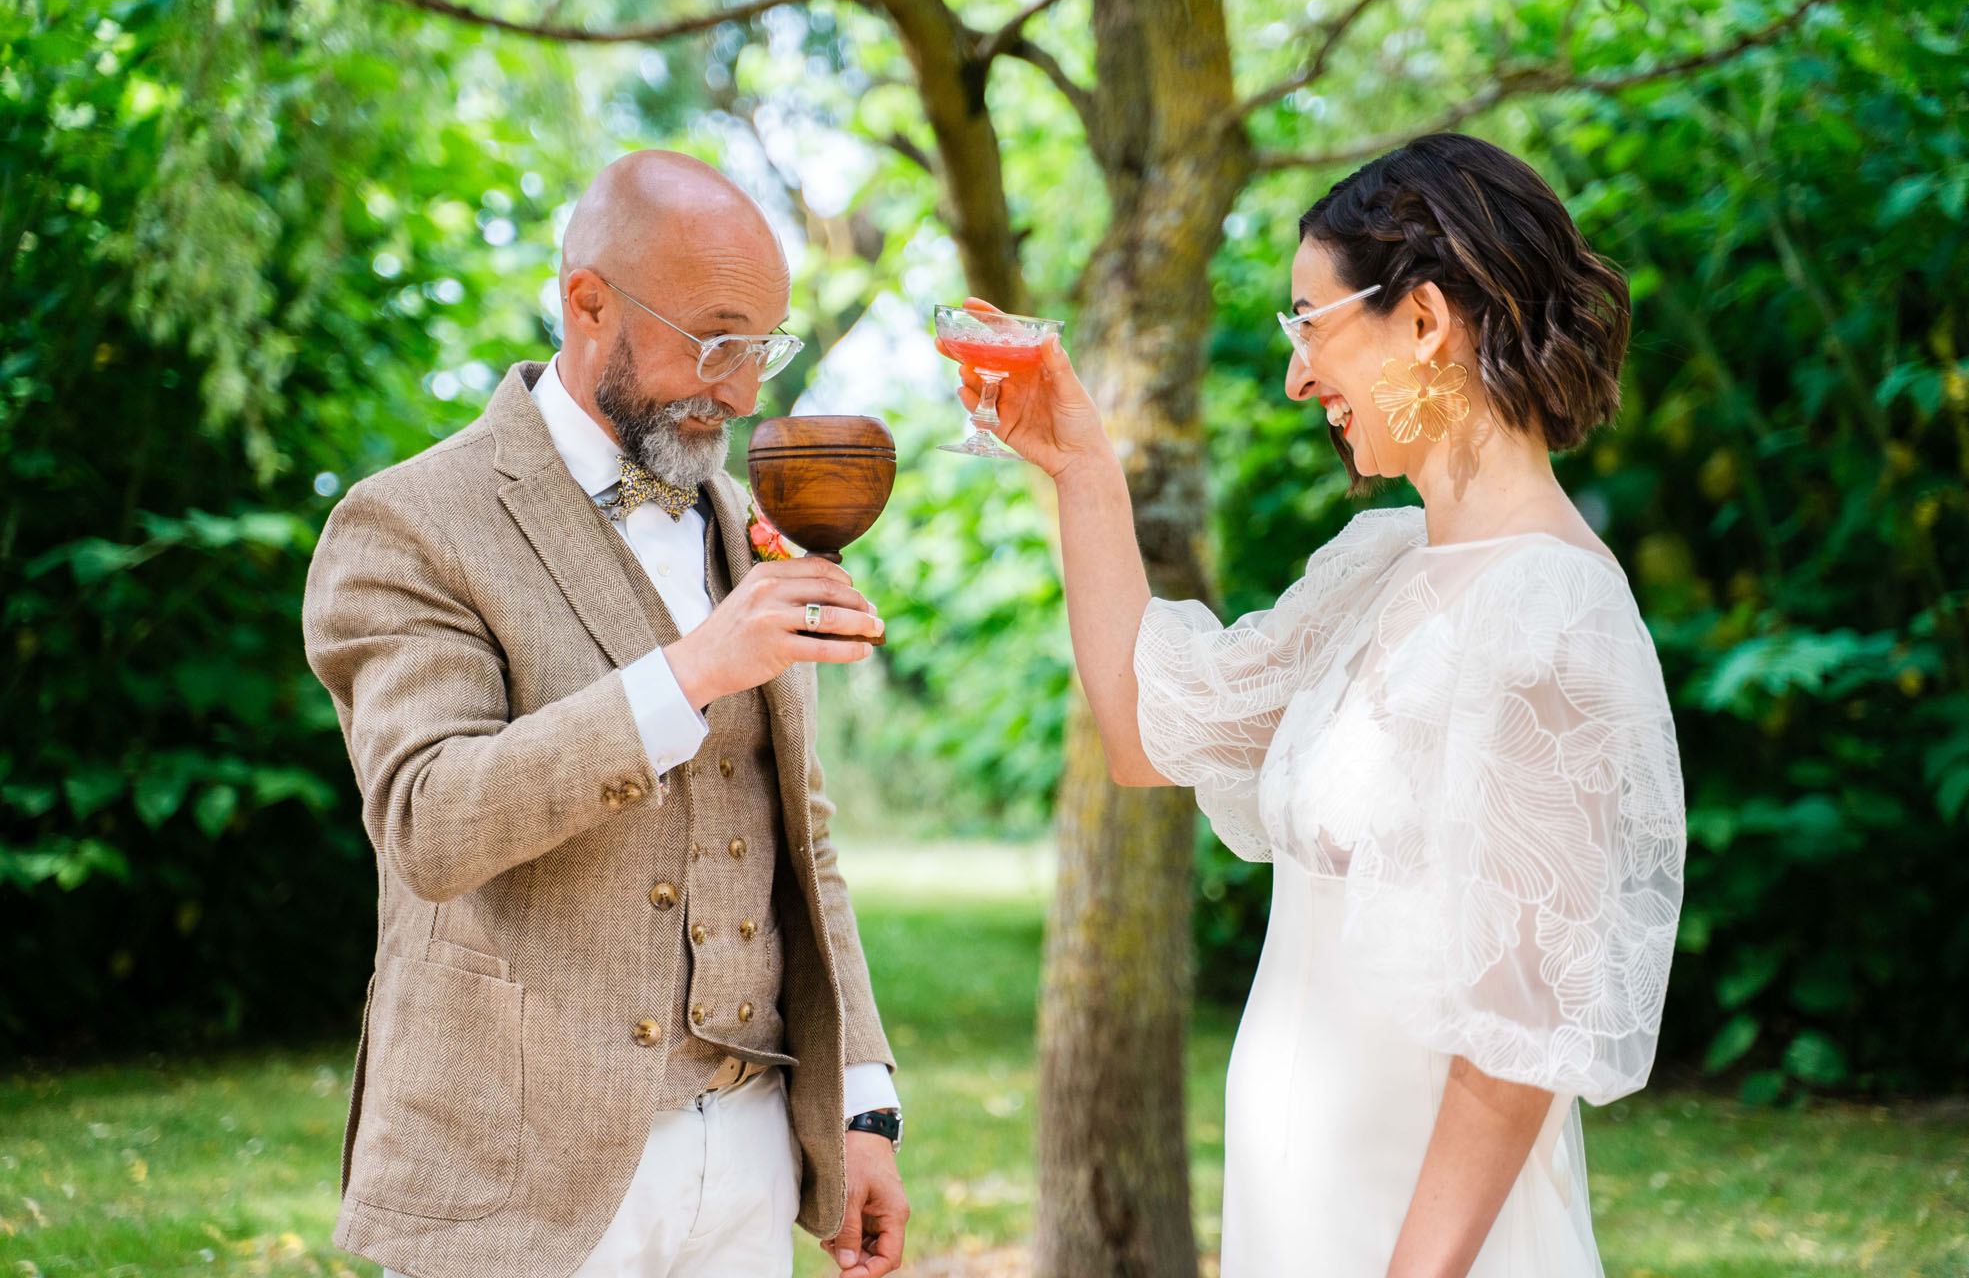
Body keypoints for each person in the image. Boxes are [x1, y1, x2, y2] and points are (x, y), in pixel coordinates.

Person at [949, 132, 1685, 1276]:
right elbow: (1149, 731)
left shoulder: (1551, 615)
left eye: (1311, 323)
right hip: (1297, 1219)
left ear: (1426, 321)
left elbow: (1520, 1040)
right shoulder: (1382, 567)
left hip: (1422, 1242)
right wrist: (1081, 465)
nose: (1298, 377)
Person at [302, 150, 908, 1278]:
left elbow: (802, 833)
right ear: (587, 302)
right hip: (517, 1180)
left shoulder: (741, 515)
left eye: (763, 349)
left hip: (750, 1161)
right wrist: (689, 673)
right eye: (716, 340)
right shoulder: (408, 523)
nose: (744, 391)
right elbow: (430, 822)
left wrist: (862, 1103)